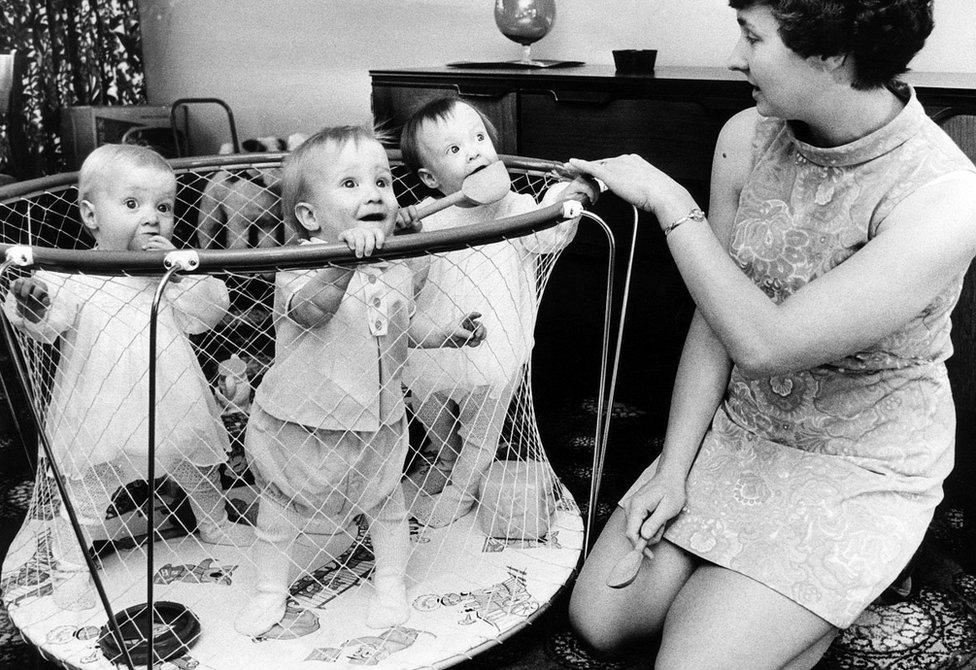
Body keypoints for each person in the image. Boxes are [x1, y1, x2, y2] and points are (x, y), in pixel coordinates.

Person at [565, 1, 976, 668]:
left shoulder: (946, 197)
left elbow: (768, 343)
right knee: (601, 620)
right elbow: (717, 320)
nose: (735, 56)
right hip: (749, 425)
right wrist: (675, 469)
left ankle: (848, 576)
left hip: (857, 458)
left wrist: (674, 205)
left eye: (752, 37)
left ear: (831, 56)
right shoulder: (746, 135)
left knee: (688, 663)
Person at [234, 126, 486, 636]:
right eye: (350, 184)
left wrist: (444, 335)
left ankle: (391, 581)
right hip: (300, 424)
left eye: (383, 182)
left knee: (387, 506)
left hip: (376, 422)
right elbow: (314, 312)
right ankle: (269, 591)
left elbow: (398, 327)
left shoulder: (394, 269)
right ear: (309, 217)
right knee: (279, 513)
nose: (374, 193)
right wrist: (344, 264)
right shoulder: (295, 268)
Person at [3, 143, 247, 610]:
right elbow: (48, 323)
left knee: (197, 466)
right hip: (101, 411)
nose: (152, 218)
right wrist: (33, 300)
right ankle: (74, 563)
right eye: (132, 205)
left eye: (164, 206)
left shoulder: (170, 273)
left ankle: (213, 522)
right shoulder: (75, 271)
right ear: (92, 216)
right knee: (89, 493)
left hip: (174, 402)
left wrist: (179, 274)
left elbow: (211, 312)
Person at [398, 97, 598, 528]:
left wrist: (570, 194)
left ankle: (463, 488)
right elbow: (407, 279)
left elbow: (554, 230)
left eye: (479, 138)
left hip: (494, 349)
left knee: (479, 431)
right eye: (454, 150)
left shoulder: (516, 211)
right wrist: (405, 234)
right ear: (430, 179)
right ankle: (445, 459)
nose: (474, 151)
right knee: (431, 412)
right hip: (433, 346)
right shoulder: (429, 222)